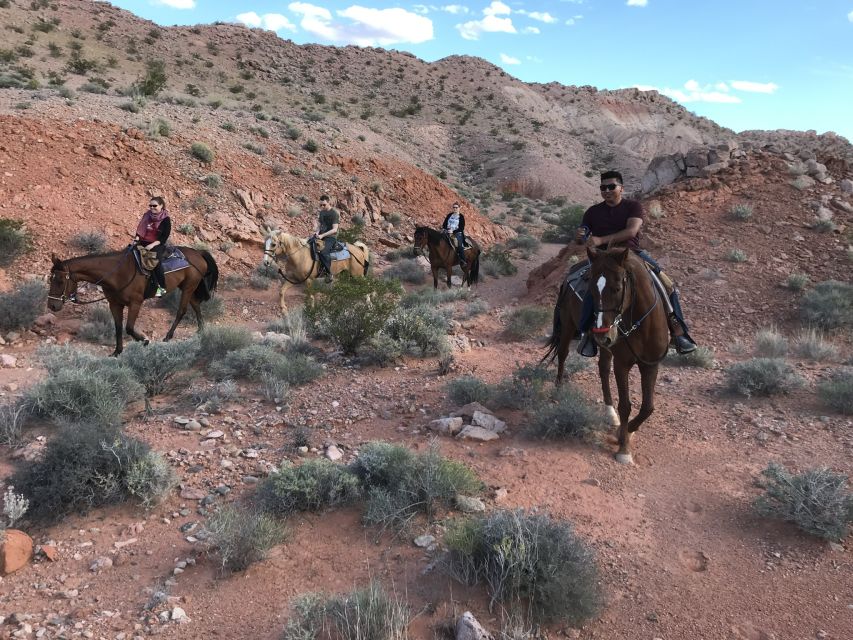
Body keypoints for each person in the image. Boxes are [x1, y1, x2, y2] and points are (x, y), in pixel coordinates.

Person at [575, 170, 697, 357]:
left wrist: (600, 240)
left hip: (630, 254)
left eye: (611, 186)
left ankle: (678, 331)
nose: (607, 190)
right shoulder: (592, 212)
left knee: (665, 283)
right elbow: (584, 230)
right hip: (602, 258)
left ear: (621, 188)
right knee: (591, 288)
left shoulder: (633, 207)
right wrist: (581, 235)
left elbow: (631, 231)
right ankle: (587, 334)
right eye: (603, 187)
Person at [134, 196, 171, 297]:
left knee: (155, 263)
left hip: (156, 244)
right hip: (142, 242)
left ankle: (162, 287)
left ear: (161, 205)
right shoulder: (147, 215)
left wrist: (152, 245)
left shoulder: (166, 219)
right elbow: (140, 230)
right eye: (150, 205)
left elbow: (164, 237)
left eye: (154, 205)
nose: (152, 207)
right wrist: (137, 238)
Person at [313, 194, 339, 283]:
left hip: (330, 237)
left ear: (329, 203)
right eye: (321, 205)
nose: (322, 206)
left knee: (323, 252)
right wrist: (317, 232)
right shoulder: (322, 212)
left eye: (324, 205)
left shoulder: (334, 213)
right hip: (320, 235)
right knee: (308, 246)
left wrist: (322, 235)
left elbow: (335, 229)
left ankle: (329, 273)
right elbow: (320, 225)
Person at [441, 201, 467, 266]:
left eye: (456, 207)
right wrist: (447, 229)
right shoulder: (449, 215)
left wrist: (453, 231)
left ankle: (463, 260)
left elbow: (461, 228)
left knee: (459, 245)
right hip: (447, 232)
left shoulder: (461, 217)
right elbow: (444, 224)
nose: (455, 209)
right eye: (454, 207)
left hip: (457, 233)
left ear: (459, 208)